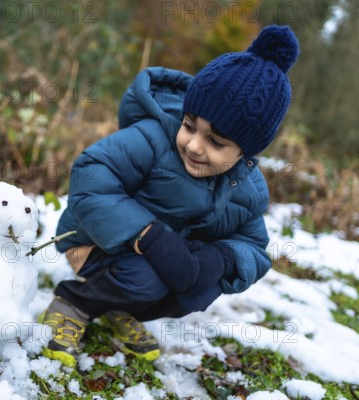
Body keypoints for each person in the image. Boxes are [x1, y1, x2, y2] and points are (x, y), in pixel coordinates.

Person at [39, 25, 300, 368]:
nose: (194, 144)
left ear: (244, 153)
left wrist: (221, 259)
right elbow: (91, 176)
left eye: (216, 142)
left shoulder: (247, 191)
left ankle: (119, 307)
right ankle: (75, 302)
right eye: (190, 125)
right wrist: (148, 235)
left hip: (151, 261)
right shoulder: (152, 139)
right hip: (91, 243)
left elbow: (254, 247)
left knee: (199, 286)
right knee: (148, 279)